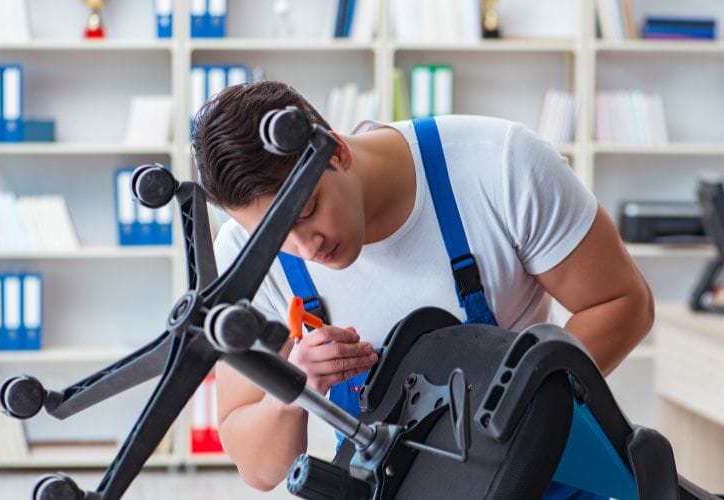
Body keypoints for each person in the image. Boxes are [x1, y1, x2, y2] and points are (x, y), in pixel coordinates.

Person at [192, 80, 654, 495]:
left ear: (338, 152)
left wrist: (517, 410)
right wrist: (294, 389)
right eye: (274, 237)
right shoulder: (245, 259)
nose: (305, 248)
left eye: (308, 210)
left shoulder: (499, 166)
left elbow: (623, 302)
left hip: (539, 476)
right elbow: (257, 468)